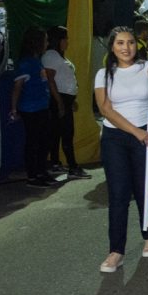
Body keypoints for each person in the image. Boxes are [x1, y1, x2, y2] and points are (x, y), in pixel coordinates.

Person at [94, 26, 148, 273]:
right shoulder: (103, 74)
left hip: (146, 137)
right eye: (120, 43)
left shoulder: (147, 69)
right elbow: (105, 109)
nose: (126, 48)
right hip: (115, 139)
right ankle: (116, 251)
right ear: (112, 46)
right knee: (119, 195)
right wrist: (136, 132)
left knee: (145, 190)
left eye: (131, 43)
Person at [42, 25, 90, 180]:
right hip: (58, 100)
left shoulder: (59, 56)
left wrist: (71, 100)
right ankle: (72, 166)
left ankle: (56, 163)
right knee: (66, 133)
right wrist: (61, 103)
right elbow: (51, 81)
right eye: (65, 38)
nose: (67, 42)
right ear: (58, 40)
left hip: (64, 99)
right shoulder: (50, 56)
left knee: (59, 133)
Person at [11, 27, 56, 188]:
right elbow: (18, 86)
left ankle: (41, 171)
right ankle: (32, 175)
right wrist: (14, 109)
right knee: (33, 142)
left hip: (42, 106)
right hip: (30, 108)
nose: (47, 43)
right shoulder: (26, 63)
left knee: (44, 140)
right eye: (45, 40)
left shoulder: (37, 61)